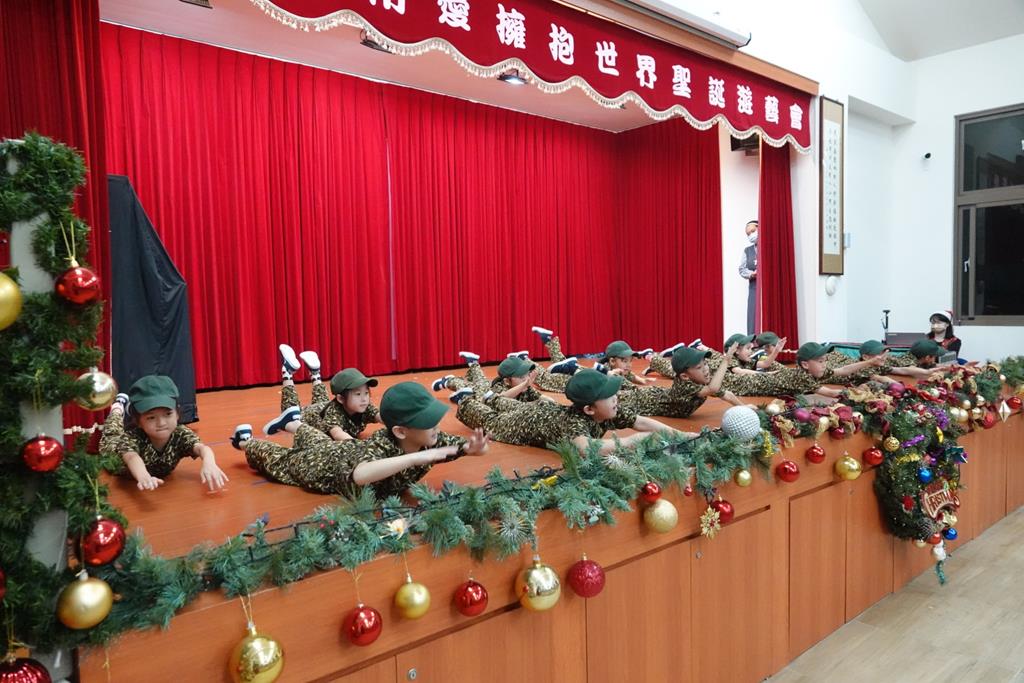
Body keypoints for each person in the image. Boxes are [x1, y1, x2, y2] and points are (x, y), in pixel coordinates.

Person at [233, 382, 488, 499]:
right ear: (401, 431)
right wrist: (419, 457)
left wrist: (472, 448)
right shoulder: (383, 442)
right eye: (428, 422)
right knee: (282, 460)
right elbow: (360, 474)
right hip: (323, 467)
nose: (436, 427)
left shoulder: (431, 438)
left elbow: (463, 448)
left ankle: (291, 423)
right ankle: (245, 441)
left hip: (347, 448)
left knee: (319, 440)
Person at [453, 369, 687, 455]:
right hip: (520, 425)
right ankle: (466, 398)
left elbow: (641, 422)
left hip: (543, 411)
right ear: (589, 409)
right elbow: (586, 448)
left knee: (506, 403)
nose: (616, 397)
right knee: (490, 419)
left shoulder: (608, 410)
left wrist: (684, 436)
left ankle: (492, 398)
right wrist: (633, 441)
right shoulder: (574, 423)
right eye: (609, 395)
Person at [101, 375, 228, 492]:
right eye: (151, 417)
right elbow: (131, 457)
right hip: (113, 448)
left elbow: (202, 448)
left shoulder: (180, 433)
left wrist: (209, 464)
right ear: (138, 421)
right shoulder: (131, 438)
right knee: (112, 429)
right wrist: (144, 477)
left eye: (168, 414)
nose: (161, 423)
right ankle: (118, 407)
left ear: (177, 414)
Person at [268, 344, 379, 441]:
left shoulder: (364, 405)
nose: (364, 398)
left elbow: (382, 416)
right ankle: (287, 373)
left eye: (366, 393)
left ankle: (315, 373)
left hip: (323, 408)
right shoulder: (333, 413)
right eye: (358, 394)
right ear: (340, 399)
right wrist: (361, 447)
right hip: (309, 414)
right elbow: (338, 434)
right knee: (290, 413)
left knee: (323, 402)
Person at [618, 344, 744, 418]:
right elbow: (713, 388)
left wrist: (744, 408)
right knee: (615, 398)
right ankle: (611, 375)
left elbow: (726, 394)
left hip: (657, 394)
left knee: (624, 389)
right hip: (645, 401)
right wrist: (726, 360)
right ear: (684, 376)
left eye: (705, 363)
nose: (706, 369)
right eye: (699, 367)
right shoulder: (686, 386)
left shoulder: (700, 378)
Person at [739, 220, 758, 334]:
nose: (751, 235)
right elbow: (742, 269)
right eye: (748, 234)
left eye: (753, 231)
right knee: (753, 317)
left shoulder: (770, 248)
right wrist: (751, 274)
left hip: (769, 288)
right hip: (754, 288)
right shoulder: (748, 251)